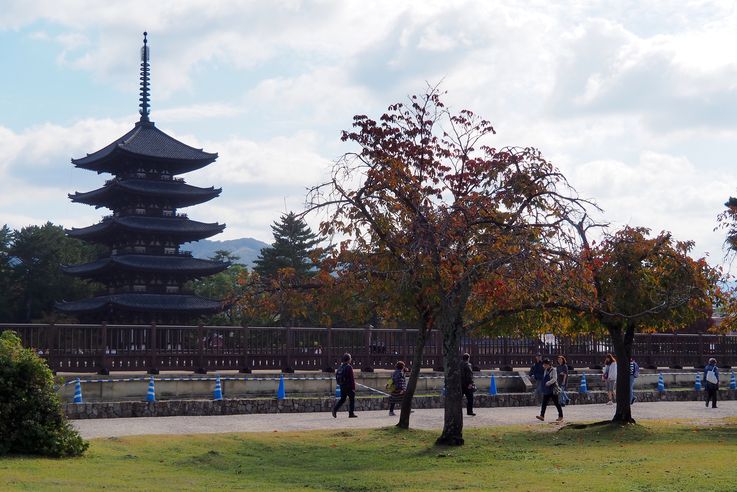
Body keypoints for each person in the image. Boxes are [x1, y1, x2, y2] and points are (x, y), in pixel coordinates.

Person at [332, 353, 357, 418]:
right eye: (350, 358)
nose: (351, 359)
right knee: (352, 399)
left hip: (342, 386)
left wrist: (340, 384)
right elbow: (352, 379)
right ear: (348, 359)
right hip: (349, 387)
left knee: (342, 399)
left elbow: (337, 376)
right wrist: (353, 388)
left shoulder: (340, 367)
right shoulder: (349, 367)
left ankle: (335, 409)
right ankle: (351, 413)